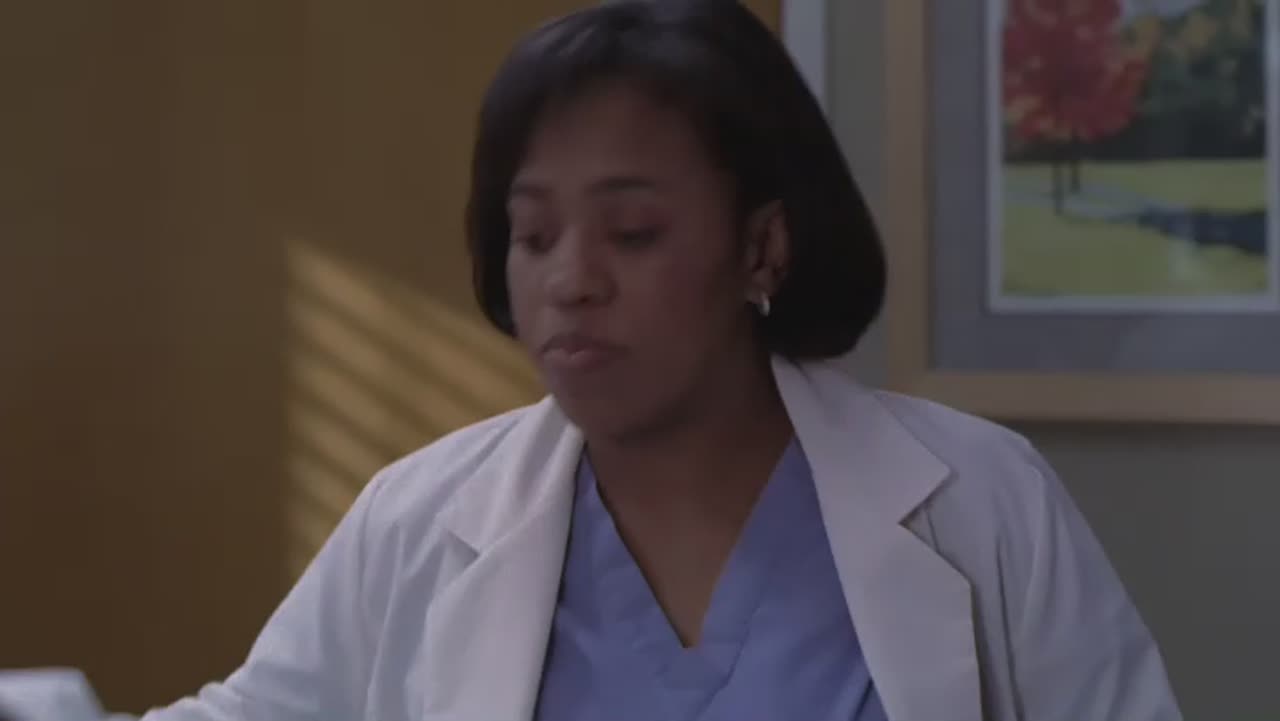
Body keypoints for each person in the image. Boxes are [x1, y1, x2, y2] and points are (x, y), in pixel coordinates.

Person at [94, 1, 1181, 719]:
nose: (569, 280)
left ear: (761, 245)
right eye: (532, 234)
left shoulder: (981, 502)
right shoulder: (417, 521)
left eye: (632, 231)